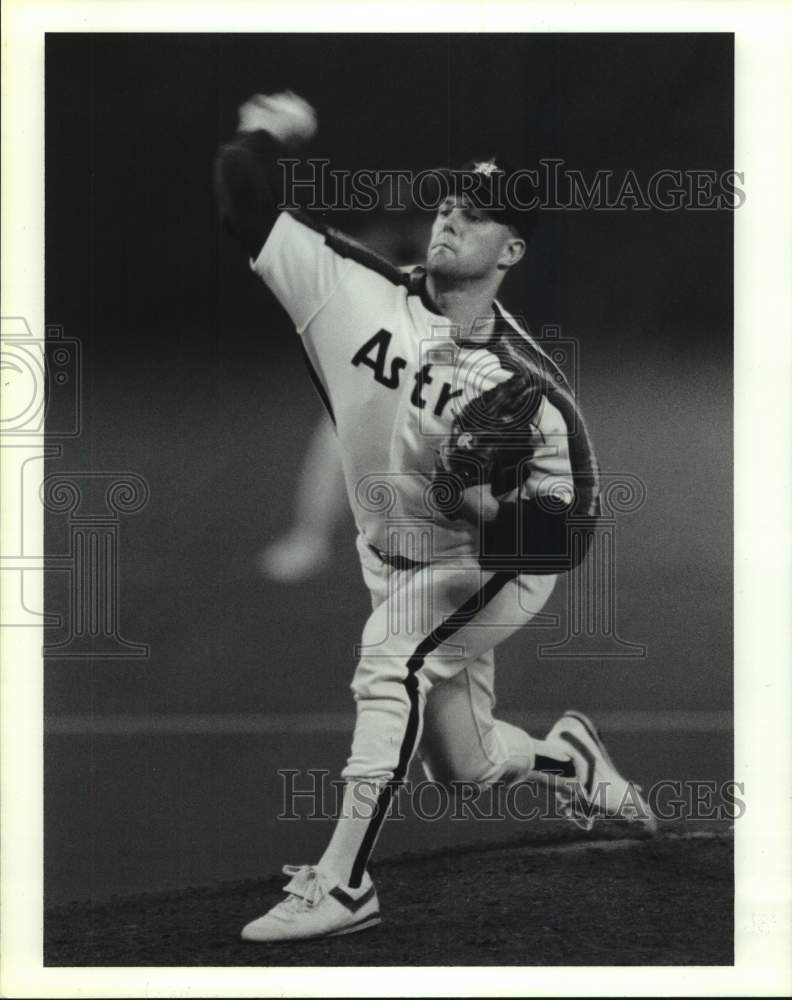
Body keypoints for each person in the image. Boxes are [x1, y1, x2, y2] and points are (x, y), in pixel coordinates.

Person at [214, 91, 656, 944]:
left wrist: (483, 502)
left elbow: (567, 537)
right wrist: (265, 131)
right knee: (468, 765)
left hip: (492, 567)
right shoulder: (350, 290)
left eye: (481, 212)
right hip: (393, 559)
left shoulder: (531, 391)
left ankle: (343, 885)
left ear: (511, 249)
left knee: (389, 659)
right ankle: (570, 756)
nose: (455, 215)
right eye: (452, 200)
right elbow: (244, 198)